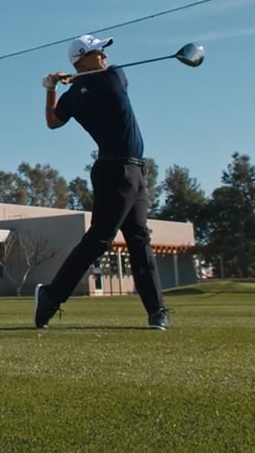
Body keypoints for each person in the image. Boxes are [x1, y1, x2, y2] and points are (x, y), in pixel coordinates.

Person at [36, 35, 170, 330]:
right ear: (82, 57)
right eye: (98, 51)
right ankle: (50, 297)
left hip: (135, 171)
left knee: (139, 241)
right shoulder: (100, 82)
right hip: (114, 172)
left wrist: (55, 86)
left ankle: (157, 312)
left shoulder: (110, 77)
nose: (105, 55)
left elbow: (57, 117)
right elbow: (53, 122)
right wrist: (53, 89)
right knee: (98, 241)